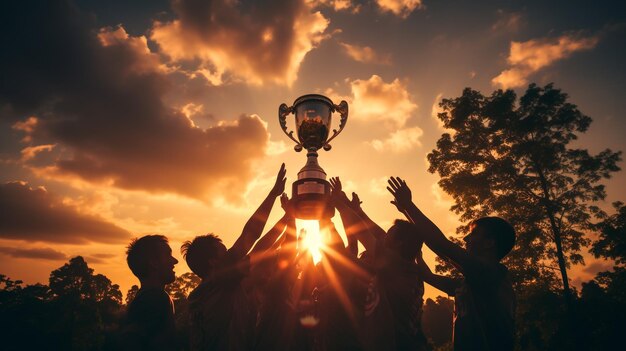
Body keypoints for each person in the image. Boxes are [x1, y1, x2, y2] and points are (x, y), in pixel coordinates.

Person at [387, 176, 516, 351]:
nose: (466, 238)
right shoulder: (469, 285)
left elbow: (442, 246)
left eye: (474, 234)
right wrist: (416, 251)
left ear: (489, 242)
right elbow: (427, 274)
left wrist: (409, 206)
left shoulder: (491, 275)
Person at [182, 164, 286, 351]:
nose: (234, 253)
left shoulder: (199, 296)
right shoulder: (220, 282)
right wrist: (274, 196)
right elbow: (251, 237)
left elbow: (256, 246)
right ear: (213, 262)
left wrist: (287, 217)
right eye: (226, 252)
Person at [330, 177, 428, 350]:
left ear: (398, 243)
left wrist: (338, 204)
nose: (383, 236)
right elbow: (373, 231)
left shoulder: (394, 267)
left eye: (389, 233)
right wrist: (356, 209)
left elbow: (363, 231)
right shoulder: (406, 267)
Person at [122, 234, 179, 351]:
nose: (175, 261)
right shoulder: (155, 298)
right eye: (168, 255)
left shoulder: (147, 298)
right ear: (154, 263)